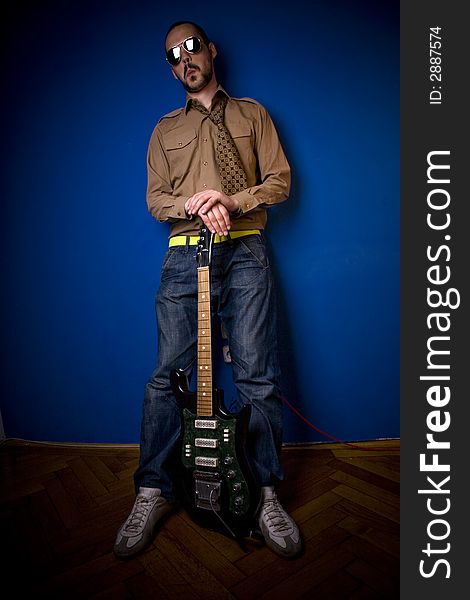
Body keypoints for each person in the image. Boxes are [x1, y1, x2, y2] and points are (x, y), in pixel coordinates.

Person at [114, 20, 302, 560]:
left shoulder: (252, 114)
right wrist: (198, 202)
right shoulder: (163, 128)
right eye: (173, 56)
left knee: (258, 375)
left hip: (246, 252)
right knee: (164, 378)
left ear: (211, 50)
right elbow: (157, 200)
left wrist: (231, 199)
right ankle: (152, 490)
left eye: (191, 47)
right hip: (184, 255)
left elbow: (280, 182)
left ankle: (265, 494)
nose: (184, 60)